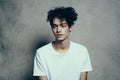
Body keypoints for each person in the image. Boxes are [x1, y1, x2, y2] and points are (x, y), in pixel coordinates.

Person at [33, 7, 92, 80]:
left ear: (70, 27)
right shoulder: (41, 53)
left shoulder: (82, 51)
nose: (58, 30)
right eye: (54, 26)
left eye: (63, 26)